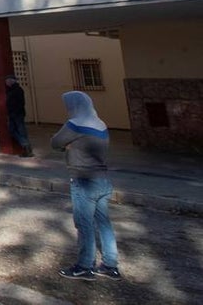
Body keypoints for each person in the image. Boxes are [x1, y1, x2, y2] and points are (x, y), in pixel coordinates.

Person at [52, 91, 122, 281]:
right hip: (102, 180)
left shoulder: (75, 124)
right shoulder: (101, 124)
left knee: (84, 224)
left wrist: (68, 146)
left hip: (83, 180)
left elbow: (55, 142)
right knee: (104, 223)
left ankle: (84, 266)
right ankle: (110, 264)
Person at [5, 75, 33, 157]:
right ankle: (25, 145)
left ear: (11, 81)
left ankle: (26, 146)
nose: (6, 83)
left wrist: (14, 111)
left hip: (17, 113)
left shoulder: (17, 90)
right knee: (13, 130)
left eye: (7, 81)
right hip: (13, 113)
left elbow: (20, 103)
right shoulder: (11, 90)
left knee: (21, 130)